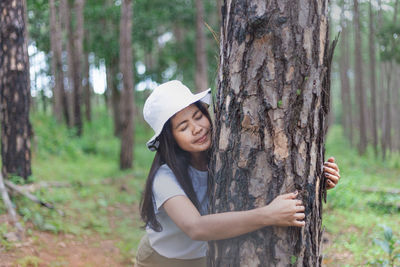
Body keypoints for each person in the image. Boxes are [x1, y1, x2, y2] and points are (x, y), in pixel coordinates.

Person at [136, 80, 341, 267]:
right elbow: (195, 227)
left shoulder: (225, 155)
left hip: (206, 258)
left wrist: (314, 179)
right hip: (160, 260)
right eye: (183, 127)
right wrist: (269, 215)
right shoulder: (164, 177)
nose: (197, 128)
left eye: (198, 117)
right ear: (170, 140)